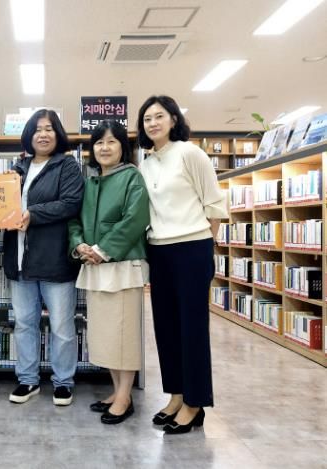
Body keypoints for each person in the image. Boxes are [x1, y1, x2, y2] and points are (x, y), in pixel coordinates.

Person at [138, 95, 227, 434]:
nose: (153, 123)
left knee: (192, 329)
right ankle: (176, 395)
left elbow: (214, 205)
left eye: (159, 116)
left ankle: (195, 402)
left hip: (192, 248)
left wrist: (206, 246)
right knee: (166, 328)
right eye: (147, 119)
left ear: (174, 119)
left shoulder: (191, 153)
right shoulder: (146, 163)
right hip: (159, 250)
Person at [68, 120, 149, 424]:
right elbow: (74, 220)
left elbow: (135, 218)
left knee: (124, 334)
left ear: (123, 147)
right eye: (99, 142)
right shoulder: (89, 181)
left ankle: (125, 397)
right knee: (106, 334)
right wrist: (78, 245)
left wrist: (102, 250)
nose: (104, 148)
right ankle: (117, 391)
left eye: (111, 141)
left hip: (122, 266)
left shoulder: (132, 177)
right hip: (94, 266)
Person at [4, 109, 84, 406]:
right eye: (38, 129)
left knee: (62, 327)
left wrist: (33, 214)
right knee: (24, 323)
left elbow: (71, 203)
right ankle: (28, 380)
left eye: (49, 128)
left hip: (54, 260)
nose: (43, 134)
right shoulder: (18, 168)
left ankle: (63, 382)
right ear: (29, 135)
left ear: (58, 133)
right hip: (20, 260)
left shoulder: (67, 165)